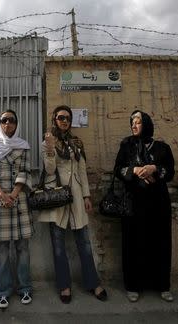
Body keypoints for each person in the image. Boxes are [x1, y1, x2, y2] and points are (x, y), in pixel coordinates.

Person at [37, 105, 107, 304]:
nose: (64, 121)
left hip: (75, 195)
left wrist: (86, 196)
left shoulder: (77, 142)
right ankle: (64, 285)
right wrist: (50, 148)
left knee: (84, 241)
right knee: (58, 245)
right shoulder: (48, 142)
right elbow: (50, 171)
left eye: (67, 118)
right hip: (57, 196)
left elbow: (82, 171)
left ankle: (93, 283)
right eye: (60, 117)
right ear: (54, 119)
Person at [114, 110, 175, 303]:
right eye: (132, 122)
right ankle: (133, 285)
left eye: (138, 122)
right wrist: (135, 170)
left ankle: (162, 285)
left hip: (158, 203)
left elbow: (171, 171)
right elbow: (118, 169)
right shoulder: (126, 146)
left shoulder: (162, 147)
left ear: (147, 124)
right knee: (134, 243)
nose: (134, 125)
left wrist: (154, 168)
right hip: (134, 202)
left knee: (160, 243)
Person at [0, 110, 34, 309]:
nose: (8, 124)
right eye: (4, 120)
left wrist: (13, 193)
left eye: (12, 120)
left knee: (23, 249)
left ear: (16, 124)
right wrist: (1, 194)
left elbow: (26, 171)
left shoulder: (24, 146)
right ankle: (3, 291)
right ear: (0, 123)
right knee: (1, 251)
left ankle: (25, 288)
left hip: (18, 201)